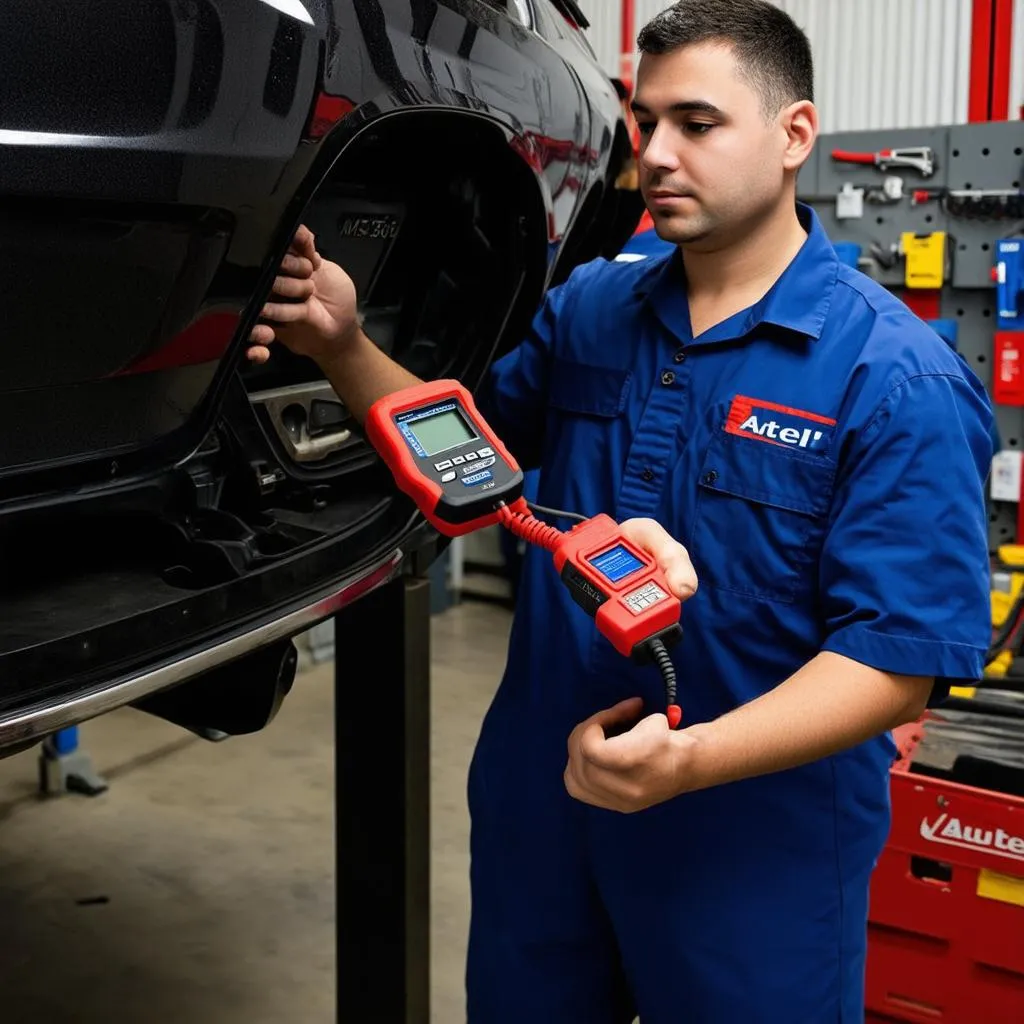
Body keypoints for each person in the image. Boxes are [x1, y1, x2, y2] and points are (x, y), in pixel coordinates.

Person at [247, 1, 994, 1019]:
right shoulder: (594, 307)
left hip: (748, 837)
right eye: (645, 123)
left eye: (698, 122)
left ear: (794, 135)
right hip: (546, 801)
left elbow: (897, 662)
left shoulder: (895, 377)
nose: (658, 154)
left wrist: (687, 760)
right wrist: (341, 342)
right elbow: (474, 460)